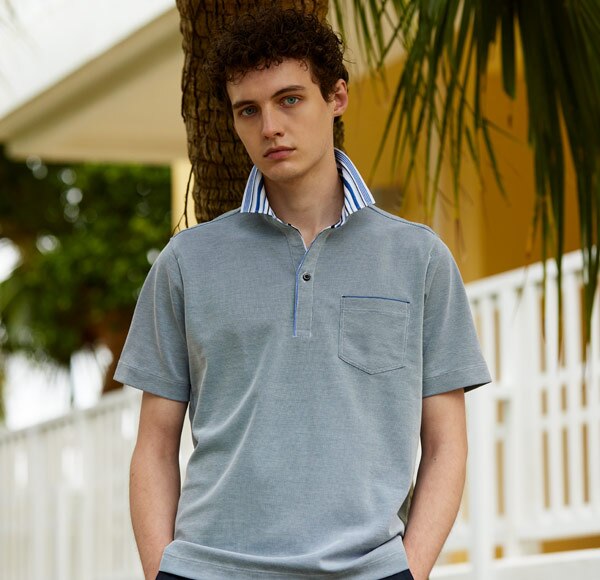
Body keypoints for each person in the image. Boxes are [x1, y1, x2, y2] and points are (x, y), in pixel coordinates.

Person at [115, 8, 492, 580]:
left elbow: (446, 444)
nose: (270, 126)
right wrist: (160, 570)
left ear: (336, 97)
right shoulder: (187, 263)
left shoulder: (418, 259)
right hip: (209, 569)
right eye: (248, 109)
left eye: (289, 99)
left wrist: (409, 571)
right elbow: (154, 445)